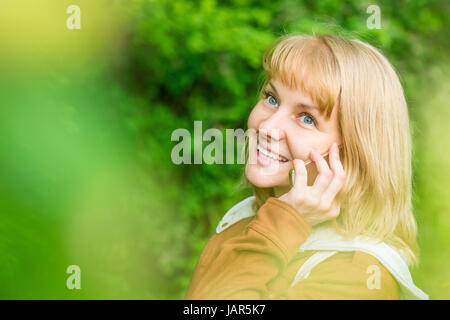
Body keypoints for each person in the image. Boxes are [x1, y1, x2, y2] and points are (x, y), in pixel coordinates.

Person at [185, 34, 428, 300]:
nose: (267, 127)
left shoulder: (358, 275)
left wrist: (279, 227)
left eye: (307, 118)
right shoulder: (251, 218)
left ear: (354, 155)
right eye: (272, 99)